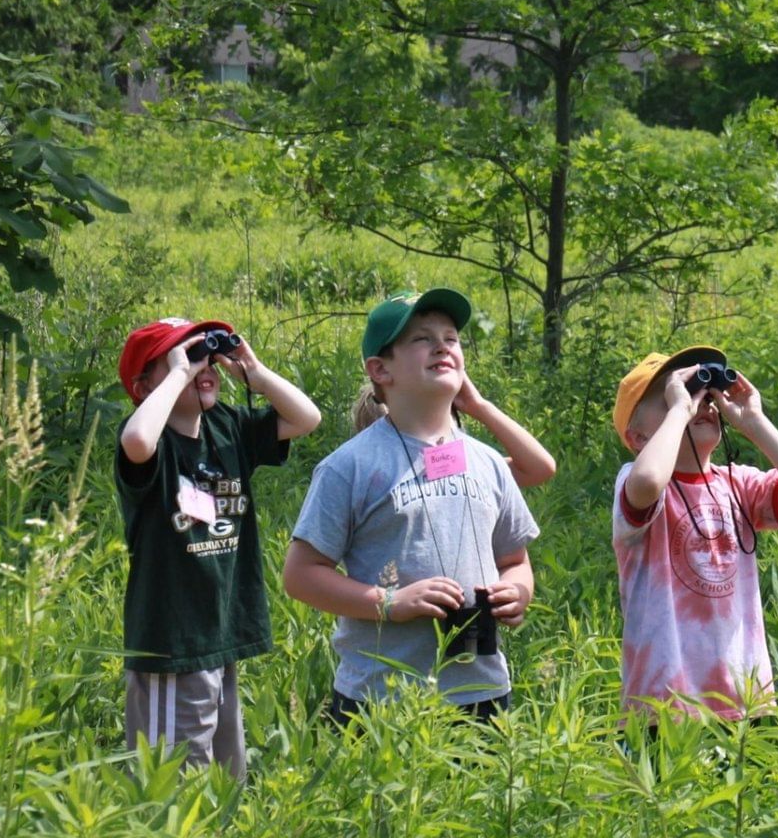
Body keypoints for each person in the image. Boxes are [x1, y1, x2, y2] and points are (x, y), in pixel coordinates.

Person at [284, 289, 541, 723]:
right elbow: (301, 576)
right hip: (381, 698)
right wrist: (390, 602)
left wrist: (517, 592)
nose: (443, 345)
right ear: (380, 369)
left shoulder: (488, 462)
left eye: (451, 338)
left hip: (482, 690)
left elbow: (515, 559)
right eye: (421, 338)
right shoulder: (350, 466)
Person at [116, 317, 323, 777]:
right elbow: (136, 439)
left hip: (221, 634)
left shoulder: (227, 427)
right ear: (143, 383)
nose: (200, 366)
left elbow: (306, 418)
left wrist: (254, 370)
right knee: (172, 782)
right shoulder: (153, 445)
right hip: (174, 643)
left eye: (205, 355)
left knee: (226, 776)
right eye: (181, 356)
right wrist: (177, 375)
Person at [611, 347, 778, 726]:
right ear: (638, 437)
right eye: (671, 393)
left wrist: (755, 423)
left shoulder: (737, 483)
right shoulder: (638, 483)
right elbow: (647, 481)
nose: (699, 403)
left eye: (705, 394)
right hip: (663, 703)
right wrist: (680, 410)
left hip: (741, 697)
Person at [349, 372, 556, 487]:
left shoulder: (460, 469)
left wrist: (478, 406)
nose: (435, 439)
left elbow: (539, 468)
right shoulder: (367, 483)